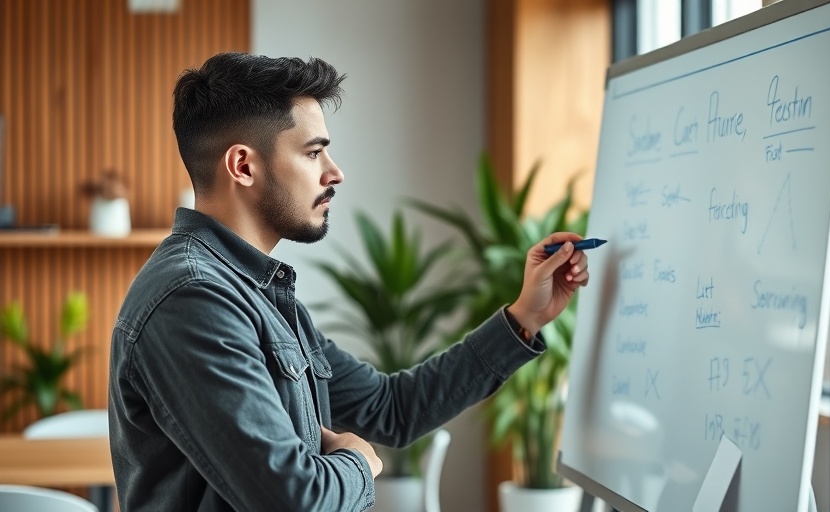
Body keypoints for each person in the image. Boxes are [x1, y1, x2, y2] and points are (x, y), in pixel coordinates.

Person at [108, 52, 590, 512]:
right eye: (313, 153)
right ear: (243, 166)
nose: (334, 173)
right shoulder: (192, 299)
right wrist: (359, 462)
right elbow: (293, 502)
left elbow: (392, 408)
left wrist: (526, 315)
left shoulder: (255, 291)